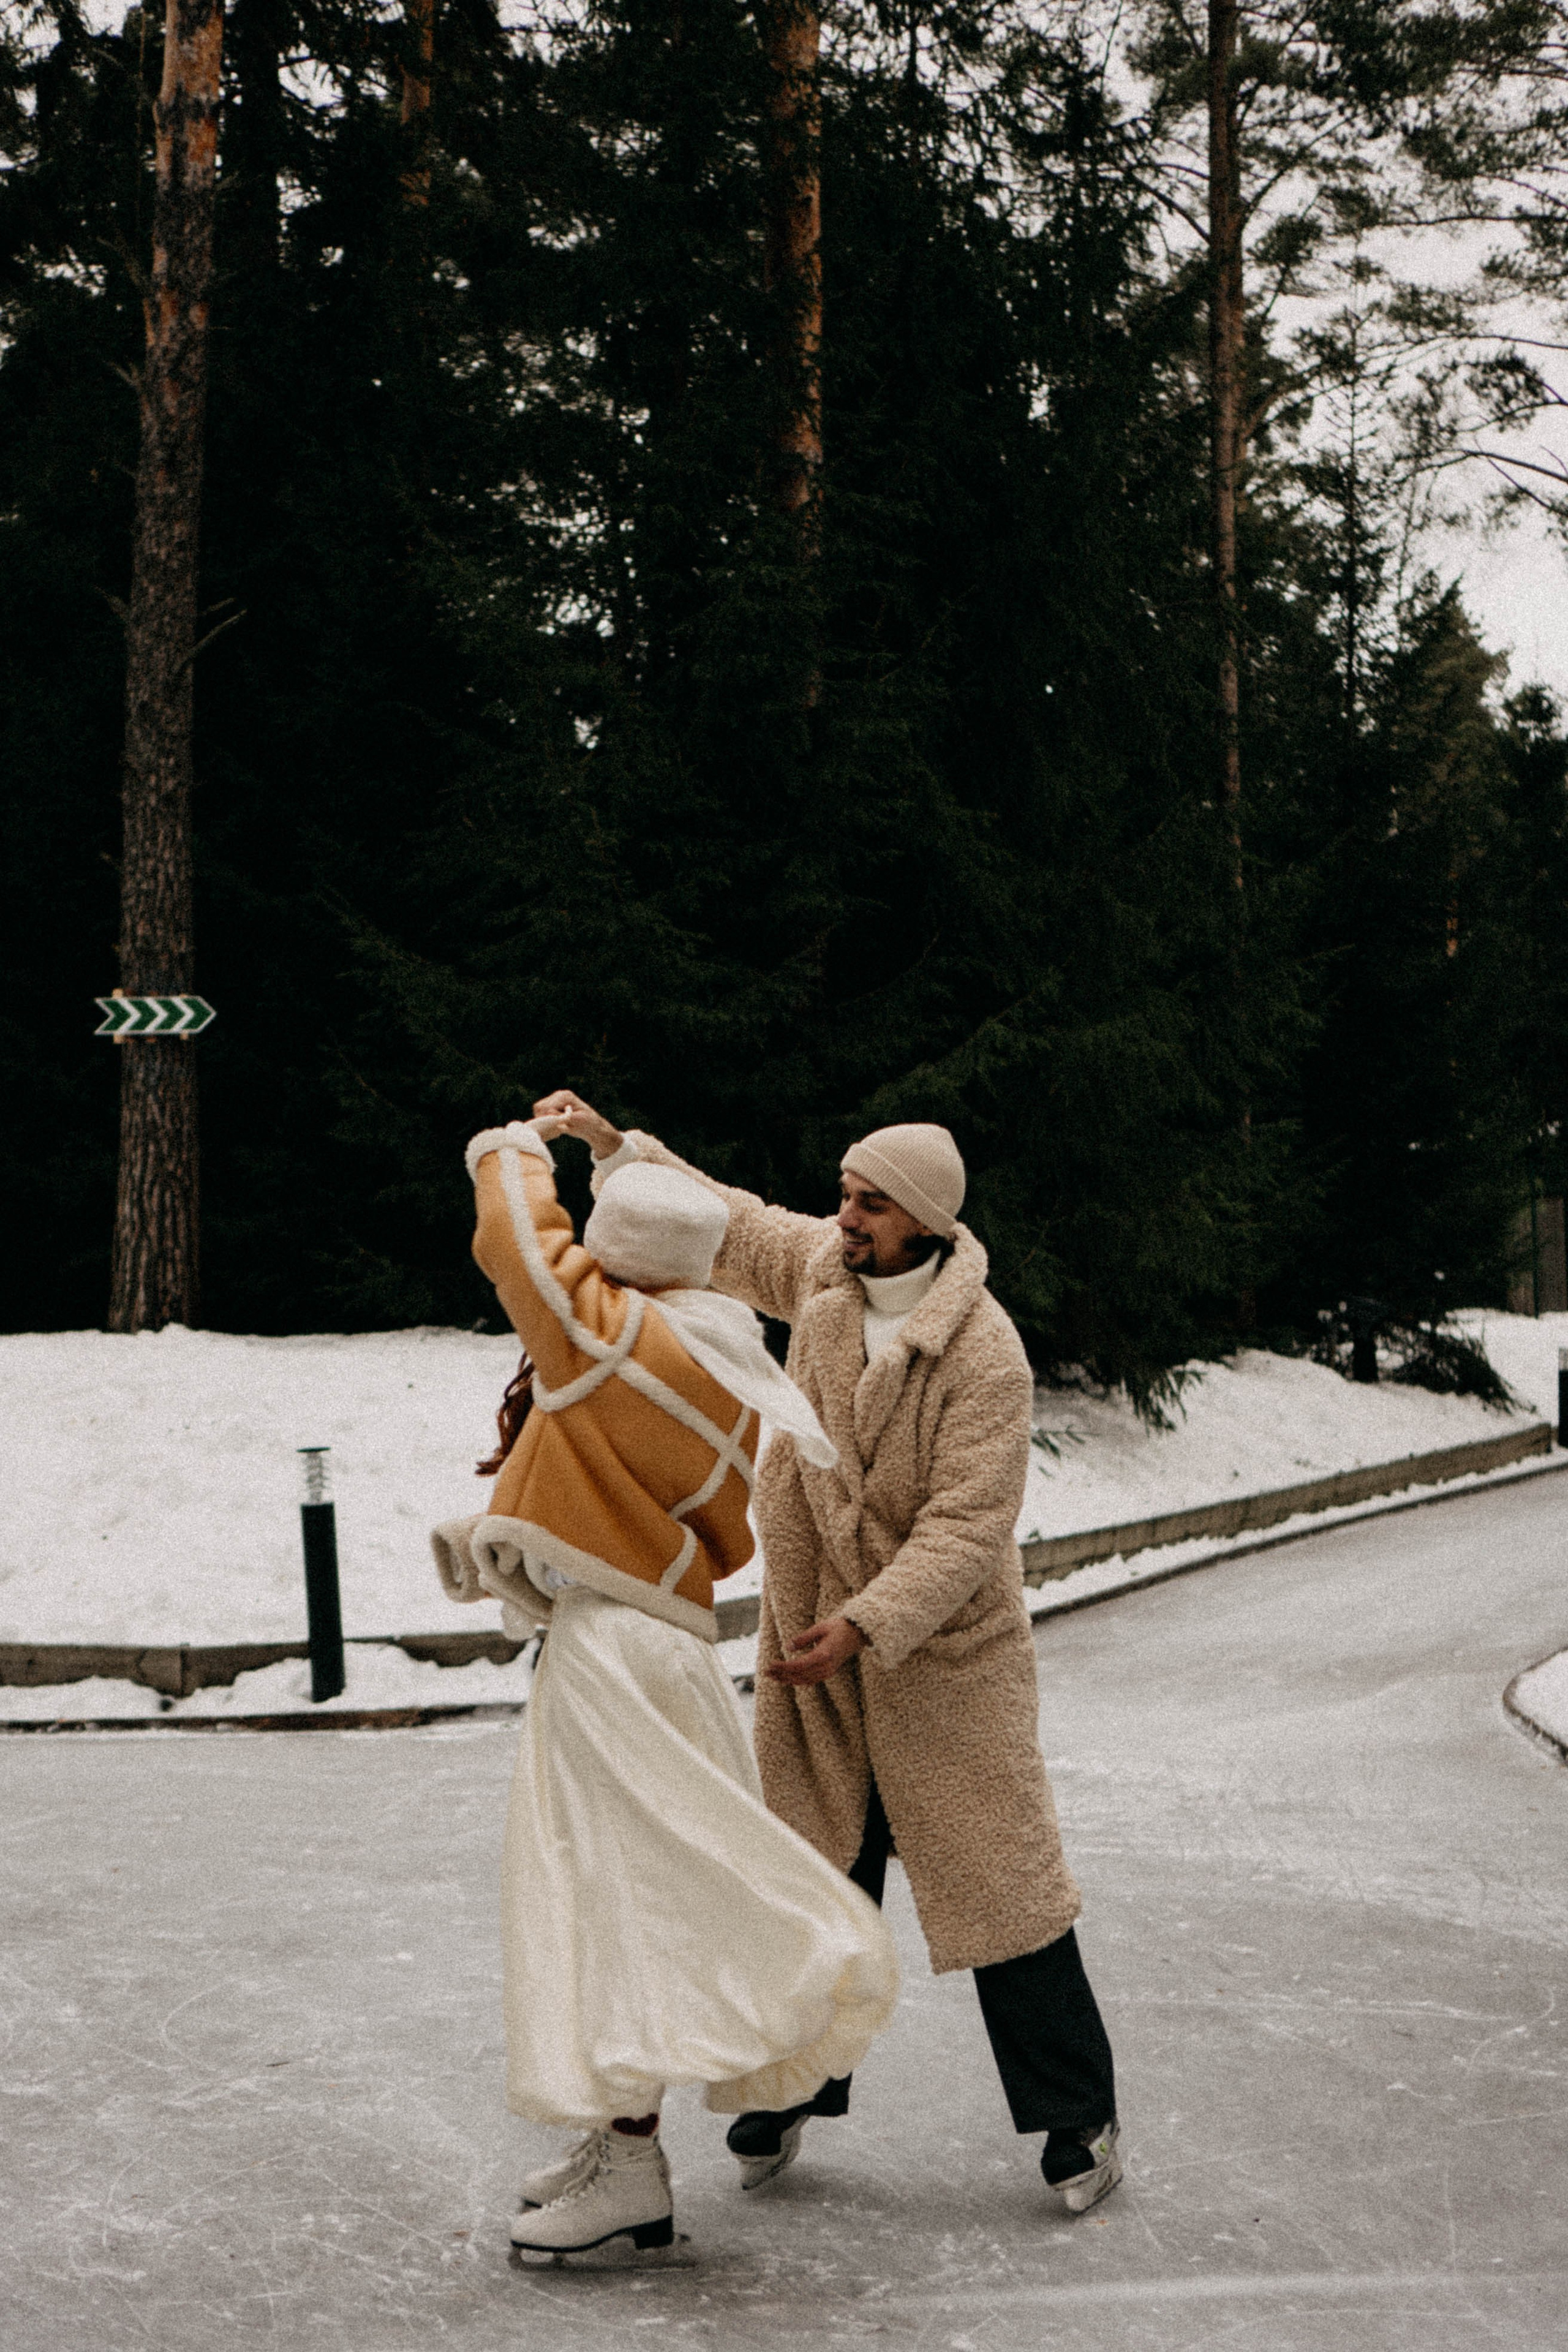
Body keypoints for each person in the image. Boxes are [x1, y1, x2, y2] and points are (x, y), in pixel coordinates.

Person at [530, 1088, 1123, 2215]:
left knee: (1005, 1898)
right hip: (822, 1658)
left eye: (869, 1203)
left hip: (944, 1667)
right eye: (846, 1196)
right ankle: (786, 2092)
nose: (844, 1216)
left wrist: (866, 1622)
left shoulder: (984, 1354)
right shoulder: (822, 1279)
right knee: (807, 1883)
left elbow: (966, 1528)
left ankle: (1077, 2115)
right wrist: (617, 1151)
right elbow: (727, 1220)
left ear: (925, 1223)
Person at [430, 1115, 898, 2259]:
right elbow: (610, 1478)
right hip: (664, 1645)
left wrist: (513, 1142)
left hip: (615, 1659)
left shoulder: (613, 1336)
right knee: (628, 1891)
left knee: (608, 1901)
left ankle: (632, 2166)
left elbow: (515, 1242)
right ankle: (616, 2140)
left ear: (621, 1253)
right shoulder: (724, 1344)